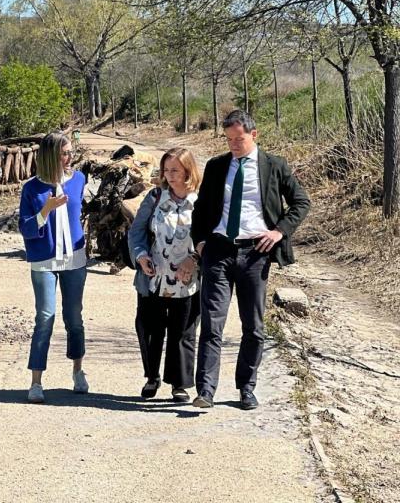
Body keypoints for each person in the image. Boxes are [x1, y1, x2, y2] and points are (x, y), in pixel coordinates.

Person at [191, 109, 310, 410]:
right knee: (212, 324)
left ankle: (246, 387)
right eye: (229, 139)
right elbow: (201, 209)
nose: (233, 144)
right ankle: (205, 391)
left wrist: (279, 232)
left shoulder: (275, 166)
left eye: (239, 139)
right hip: (218, 250)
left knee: (253, 326)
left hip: (255, 253)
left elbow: (300, 202)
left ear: (253, 135)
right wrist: (201, 242)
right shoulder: (217, 166)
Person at [127, 147, 203, 403]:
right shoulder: (155, 197)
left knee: (182, 332)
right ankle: (152, 377)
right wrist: (140, 257)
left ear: (188, 170)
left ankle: (178, 384)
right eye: (166, 170)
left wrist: (194, 260)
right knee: (150, 328)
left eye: (175, 170)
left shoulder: (201, 200)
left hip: (187, 278)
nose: (170, 176)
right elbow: (136, 232)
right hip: (154, 275)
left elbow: (211, 237)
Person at [18, 133, 89, 403]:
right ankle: (36, 382)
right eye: (64, 153)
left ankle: (78, 372)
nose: (69, 157)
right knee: (45, 317)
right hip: (43, 261)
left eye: (70, 152)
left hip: (74, 259)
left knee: (74, 318)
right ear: (50, 156)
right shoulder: (32, 188)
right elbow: (25, 228)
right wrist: (44, 211)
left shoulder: (78, 180)